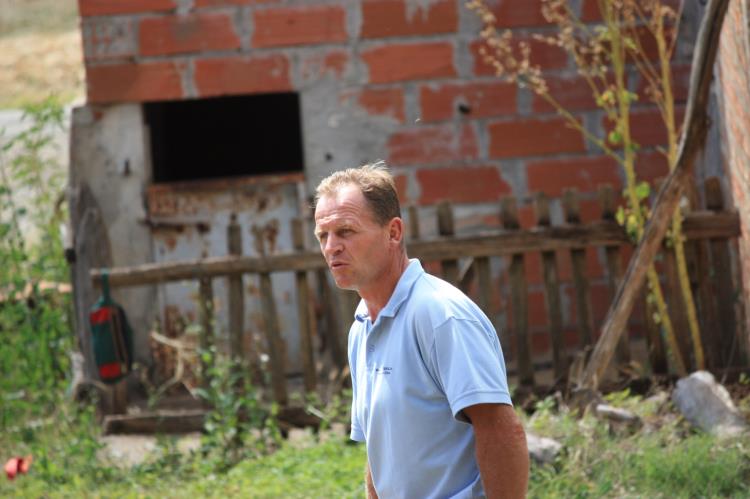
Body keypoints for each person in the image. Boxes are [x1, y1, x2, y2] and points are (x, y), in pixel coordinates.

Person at [314, 162, 529, 499]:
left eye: (346, 231)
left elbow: (502, 431)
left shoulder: (440, 314)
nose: (331, 247)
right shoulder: (362, 326)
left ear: (394, 232)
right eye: (323, 236)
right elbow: (381, 452)